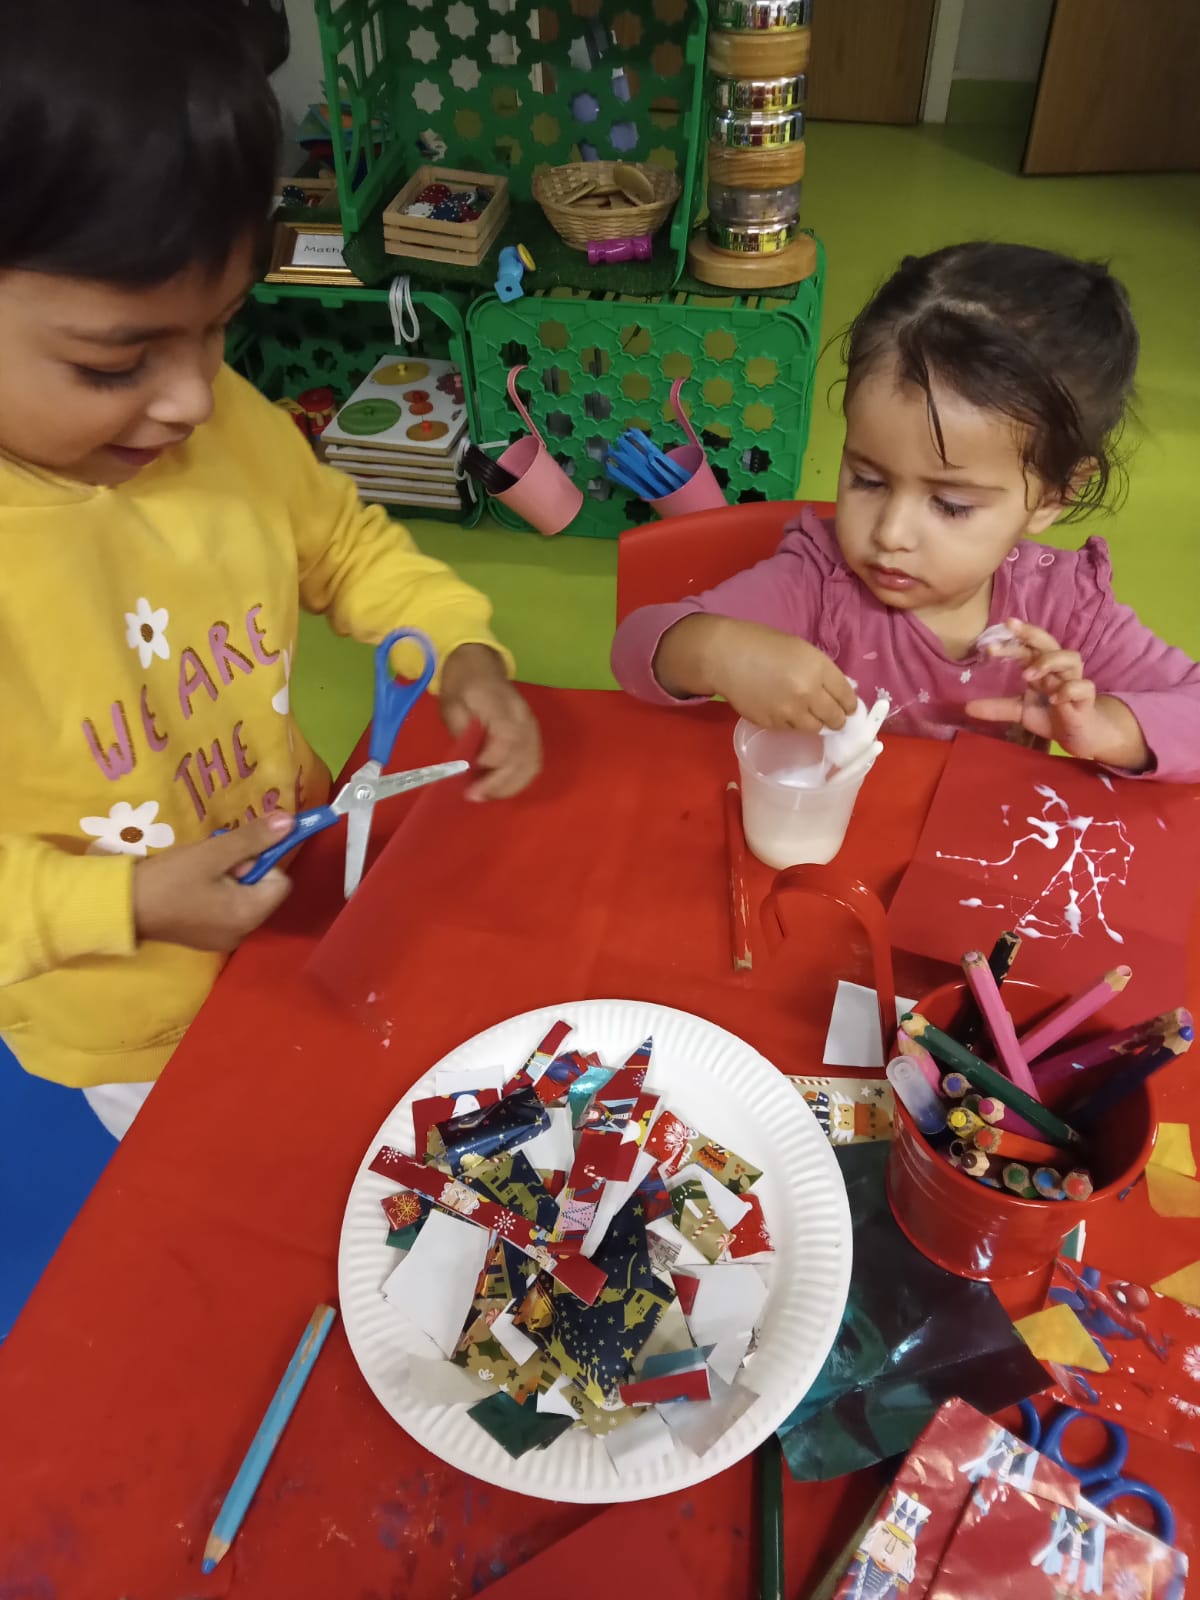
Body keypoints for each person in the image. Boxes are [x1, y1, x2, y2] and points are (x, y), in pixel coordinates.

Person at [0, 1, 541, 1136]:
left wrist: (460, 645)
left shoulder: (219, 423)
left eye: (220, 326)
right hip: (127, 1003)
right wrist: (131, 900)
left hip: (292, 881)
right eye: (115, 362)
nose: (195, 396)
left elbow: (345, 546)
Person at [612, 243, 1200, 783]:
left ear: (1053, 496)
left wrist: (1109, 727)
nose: (889, 534)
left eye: (950, 504)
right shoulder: (823, 580)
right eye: (866, 479)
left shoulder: (1066, 607)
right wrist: (717, 651)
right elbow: (635, 647)